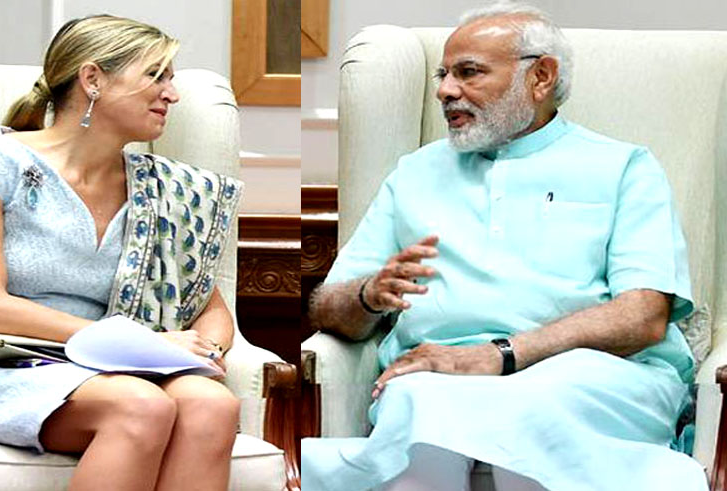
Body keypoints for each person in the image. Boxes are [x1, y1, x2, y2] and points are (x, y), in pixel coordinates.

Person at [302, 3, 709, 490]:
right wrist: (368, 295)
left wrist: (501, 356)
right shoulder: (414, 173)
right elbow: (329, 307)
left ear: (540, 77)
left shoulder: (624, 168)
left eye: (468, 72)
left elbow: (642, 315)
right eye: (443, 75)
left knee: (533, 405)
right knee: (418, 400)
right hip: (438, 376)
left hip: (592, 374)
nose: (445, 90)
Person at [0, 15, 243, 491]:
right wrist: (139, 342)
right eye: (156, 76)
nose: (172, 95)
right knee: (141, 404)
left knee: (212, 404)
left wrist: (206, 351)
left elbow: (209, 308)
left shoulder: (163, 190)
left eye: (172, 79)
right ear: (93, 79)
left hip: (104, 365)